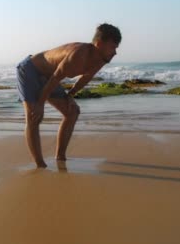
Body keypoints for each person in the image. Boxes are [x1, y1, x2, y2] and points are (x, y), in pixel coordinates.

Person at [16, 23, 122, 168]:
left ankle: (60, 157)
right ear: (98, 44)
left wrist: (70, 96)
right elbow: (56, 78)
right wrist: (40, 104)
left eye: (116, 48)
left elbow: (85, 78)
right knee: (34, 116)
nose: (115, 52)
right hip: (31, 70)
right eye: (112, 47)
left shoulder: (101, 59)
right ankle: (40, 164)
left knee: (72, 111)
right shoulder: (78, 54)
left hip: (49, 78)